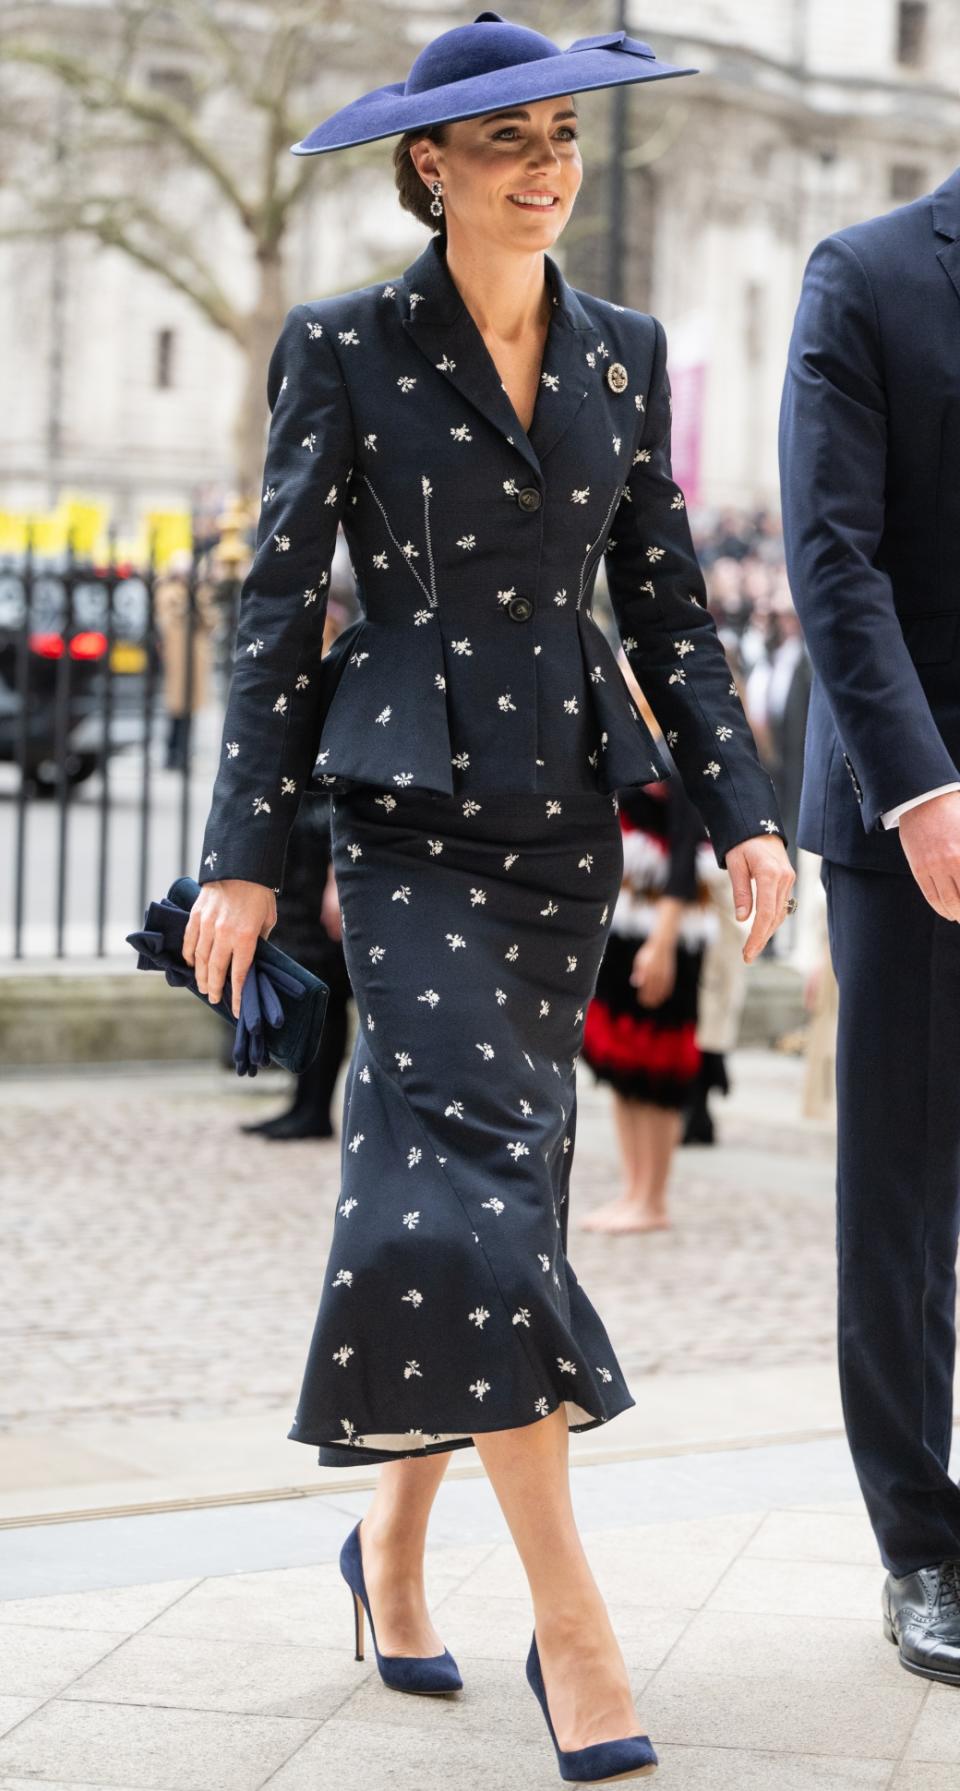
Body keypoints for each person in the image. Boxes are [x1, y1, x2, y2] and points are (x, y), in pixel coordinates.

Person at [183, 13, 794, 1779]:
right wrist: (239, 852)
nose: (548, 168)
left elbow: (668, 601)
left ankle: (385, 1549)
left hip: (557, 834)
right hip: (400, 826)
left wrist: (741, 812)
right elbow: (273, 602)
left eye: (564, 139)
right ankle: (578, 1636)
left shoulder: (623, 354)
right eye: (509, 140)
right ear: (428, 166)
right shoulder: (345, 347)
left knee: (474, 1207)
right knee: (467, 1207)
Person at [780, 164, 960, 1686]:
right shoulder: (868, 273)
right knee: (903, 1199)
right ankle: (924, 1545)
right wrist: (920, 789)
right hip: (916, 815)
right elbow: (833, 559)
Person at [579, 671, 716, 1230]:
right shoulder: (625, 738)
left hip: (666, 927)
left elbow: (685, 858)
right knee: (622, 1063)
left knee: (659, 1067)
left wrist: (660, 944)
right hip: (624, 926)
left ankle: (652, 1197)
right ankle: (633, 1189)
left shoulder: (681, 750)